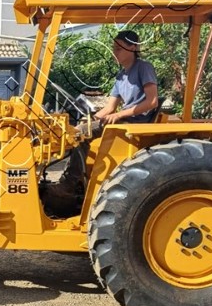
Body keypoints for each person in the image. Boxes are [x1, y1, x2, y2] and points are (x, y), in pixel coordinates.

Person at [42, 30, 159, 217]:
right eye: (114, 48)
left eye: (119, 48)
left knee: (80, 135)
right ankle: (76, 181)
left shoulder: (143, 68)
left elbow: (152, 101)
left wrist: (119, 115)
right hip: (124, 118)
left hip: (137, 121)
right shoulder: (121, 75)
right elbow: (109, 108)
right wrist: (89, 119)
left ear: (133, 48)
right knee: (76, 132)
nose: (115, 52)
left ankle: (70, 184)